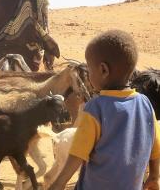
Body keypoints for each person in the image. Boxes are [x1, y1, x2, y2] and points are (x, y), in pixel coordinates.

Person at [48, 30, 160, 190]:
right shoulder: (145, 104)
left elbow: (77, 155)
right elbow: (156, 148)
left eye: (90, 70)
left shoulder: (95, 108)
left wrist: (58, 183)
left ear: (103, 70)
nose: (89, 76)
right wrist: (155, 176)